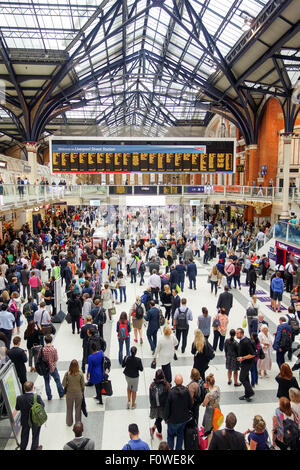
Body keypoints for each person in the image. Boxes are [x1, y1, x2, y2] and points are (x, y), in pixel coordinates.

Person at [164, 374, 192, 450]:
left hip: (172, 420)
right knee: (180, 435)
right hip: (183, 419)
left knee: (170, 436)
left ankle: (170, 448)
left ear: (174, 382)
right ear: (182, 382)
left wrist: (166, 418)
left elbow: (167, 407)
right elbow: (190, 404)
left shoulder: (171, 392)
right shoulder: (186, 391)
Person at [15, 381, 44, 450]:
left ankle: (23, 447)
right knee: (35, 435)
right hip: (36, 420)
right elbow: (43, 406)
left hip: (25, 420)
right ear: (32, 388)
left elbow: (17, 408)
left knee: (24, 435)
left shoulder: (19, 398)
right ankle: (34, 448)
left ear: (24, 389)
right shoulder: (37, 397)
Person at [62, 359, 85, 427]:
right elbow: (83, 385)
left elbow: (63, 384)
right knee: (78, 408)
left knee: (69, 408)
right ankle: (78, 423)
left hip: (69, 394)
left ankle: (69, 422)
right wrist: (82, 392)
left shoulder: (67, 374)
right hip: (78, 393)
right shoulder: (80, 374)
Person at [149, 369, 171, 440]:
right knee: (160, 418)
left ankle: (155, 430)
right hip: (164, 406)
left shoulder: (152, 385)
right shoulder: (166, 385)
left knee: (158, 418)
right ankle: (159, 433)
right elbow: (169, 396)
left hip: (155, 406)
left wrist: (152, 406)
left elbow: (150, 397)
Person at [42, 335, 65, 401]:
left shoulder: (42, 349)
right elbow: (56, 358)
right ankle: (61, 394)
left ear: (45, 341)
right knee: (57, 380)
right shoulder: (53, 349)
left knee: (46, 382)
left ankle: (49, 397)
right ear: (51, 341)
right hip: (53, 367)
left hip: (45, 368)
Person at [236, 328, 255, 402]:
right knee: (246, 378)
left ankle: (250, 392)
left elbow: (252, 354)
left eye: (237, 333)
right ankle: (247, 394)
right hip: (244, 362)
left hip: (247, 363)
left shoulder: (246, 342)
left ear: (241, 333)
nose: (236, 335)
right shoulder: (242, 341)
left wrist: (243, 358)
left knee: (242, 378)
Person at [201, 373, 221, 448]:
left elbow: (204, 404)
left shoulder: (209, 395)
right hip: (217, 409)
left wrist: (206, 391)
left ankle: (208, 447)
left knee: (209, 431)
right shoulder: (217, 388)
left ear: (208, 383)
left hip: (210, 412)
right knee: (215, 427)